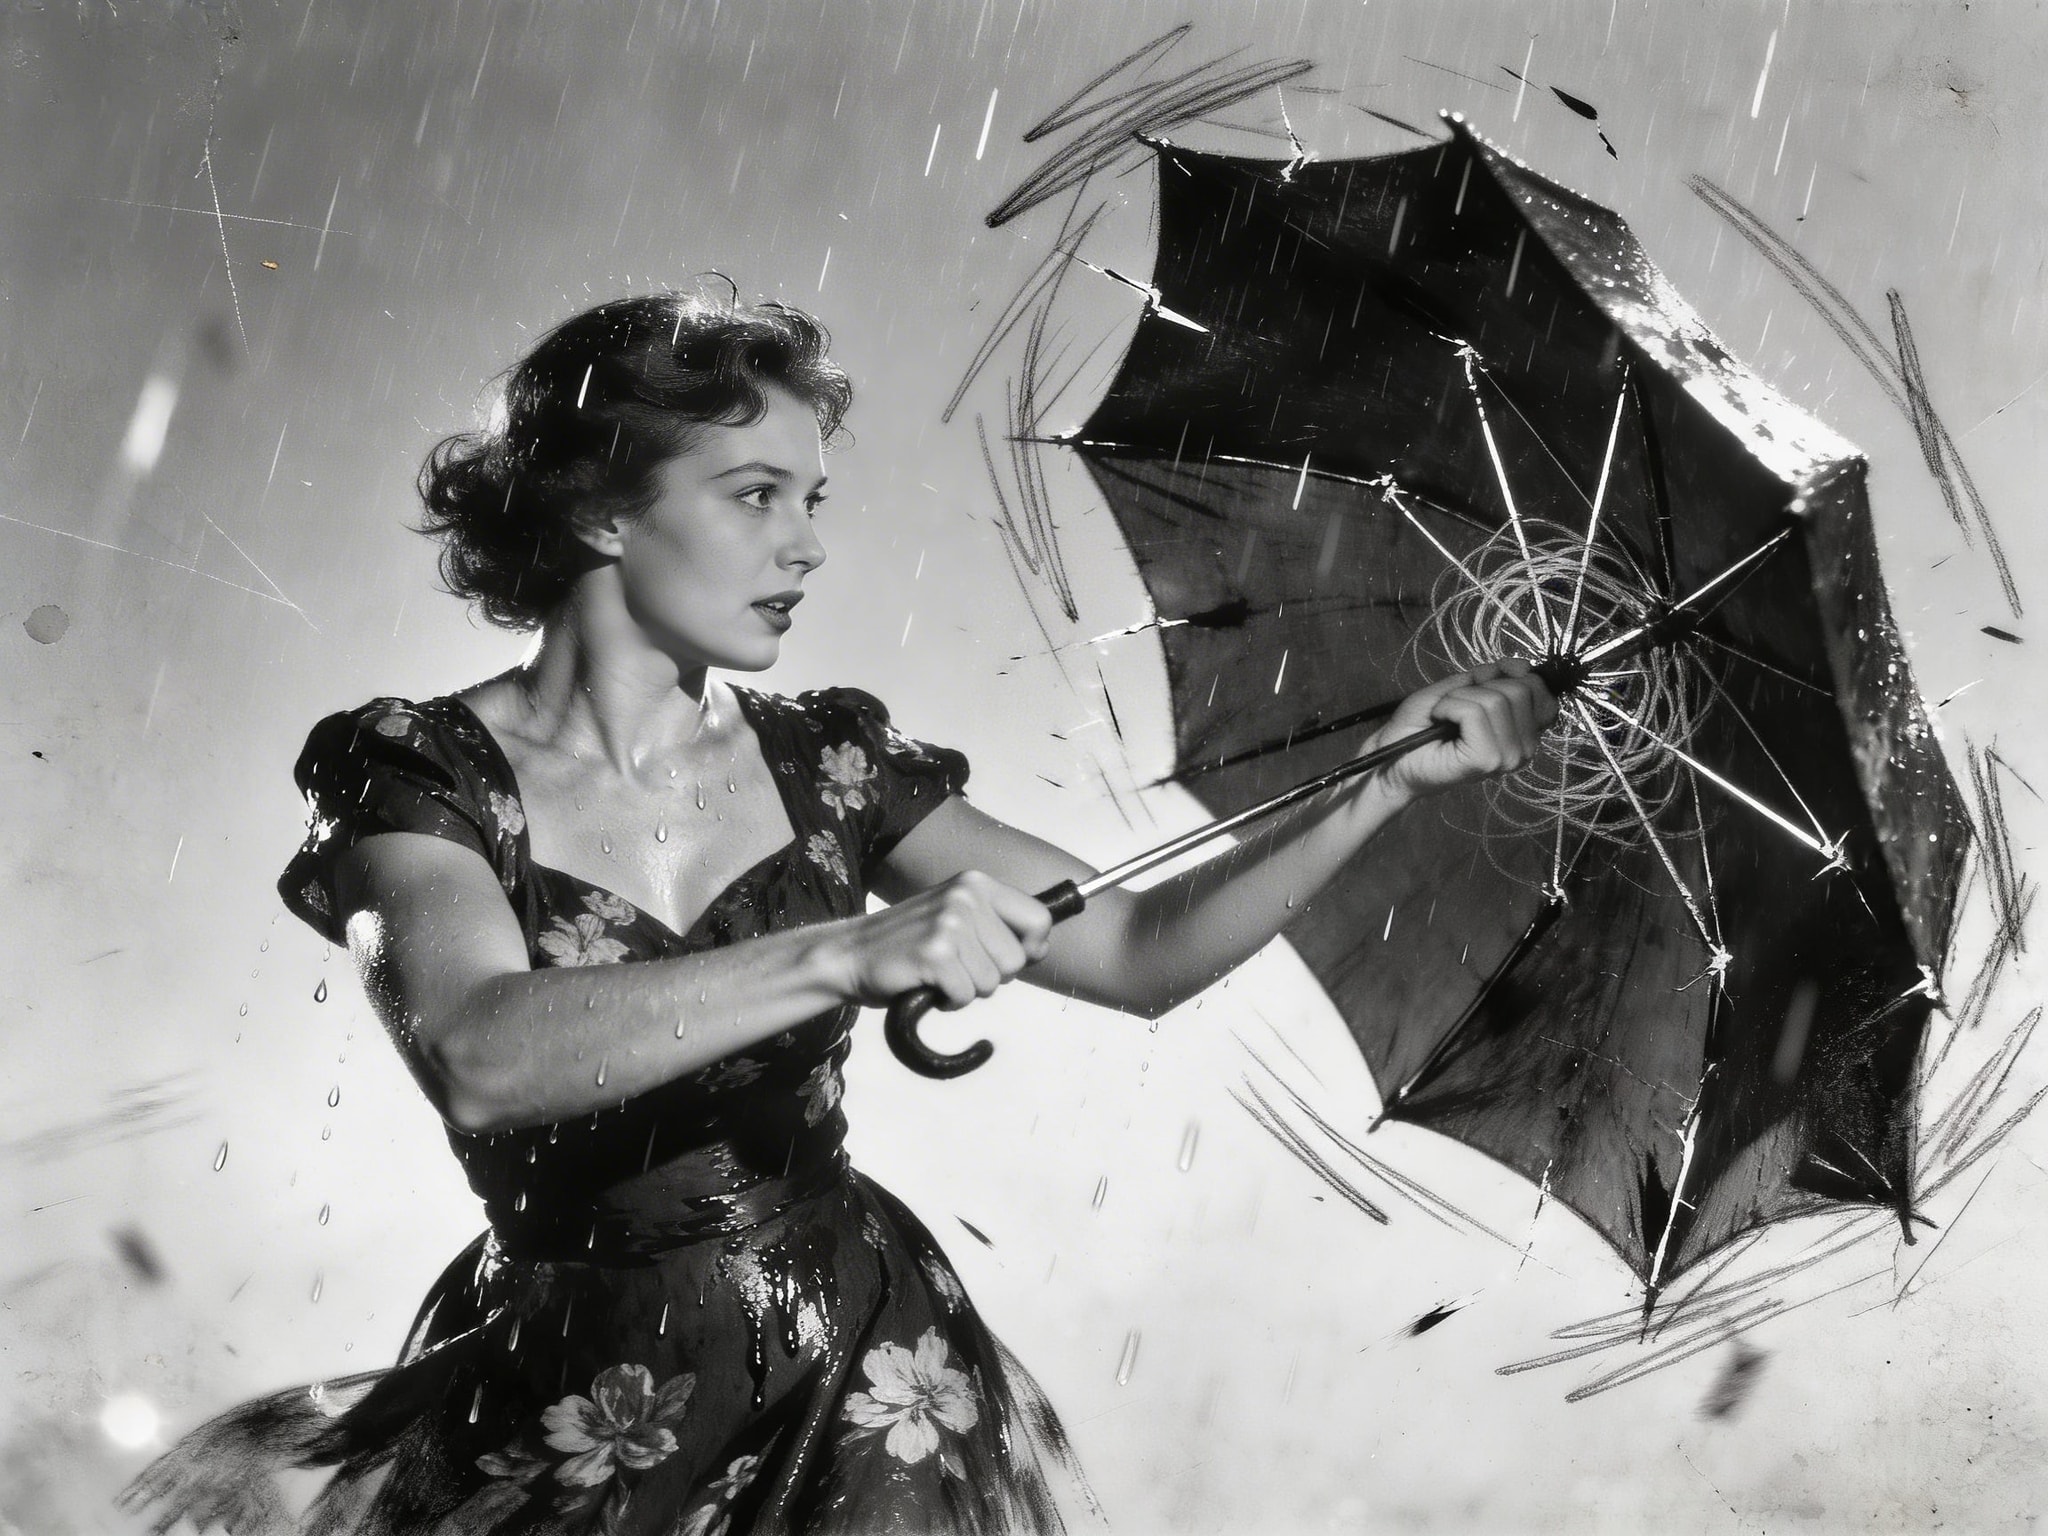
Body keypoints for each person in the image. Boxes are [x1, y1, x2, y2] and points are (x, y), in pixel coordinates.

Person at [123, 290, 1555, 1535]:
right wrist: (851, 948)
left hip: (859, 1368)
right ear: (599, 506)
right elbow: (484, 1057)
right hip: (570, 1380)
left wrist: (1378, 788)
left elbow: (1136, 951)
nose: (806, 545)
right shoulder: (416, 773)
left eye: (815, 500)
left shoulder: (829, 761)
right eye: (756, 495)